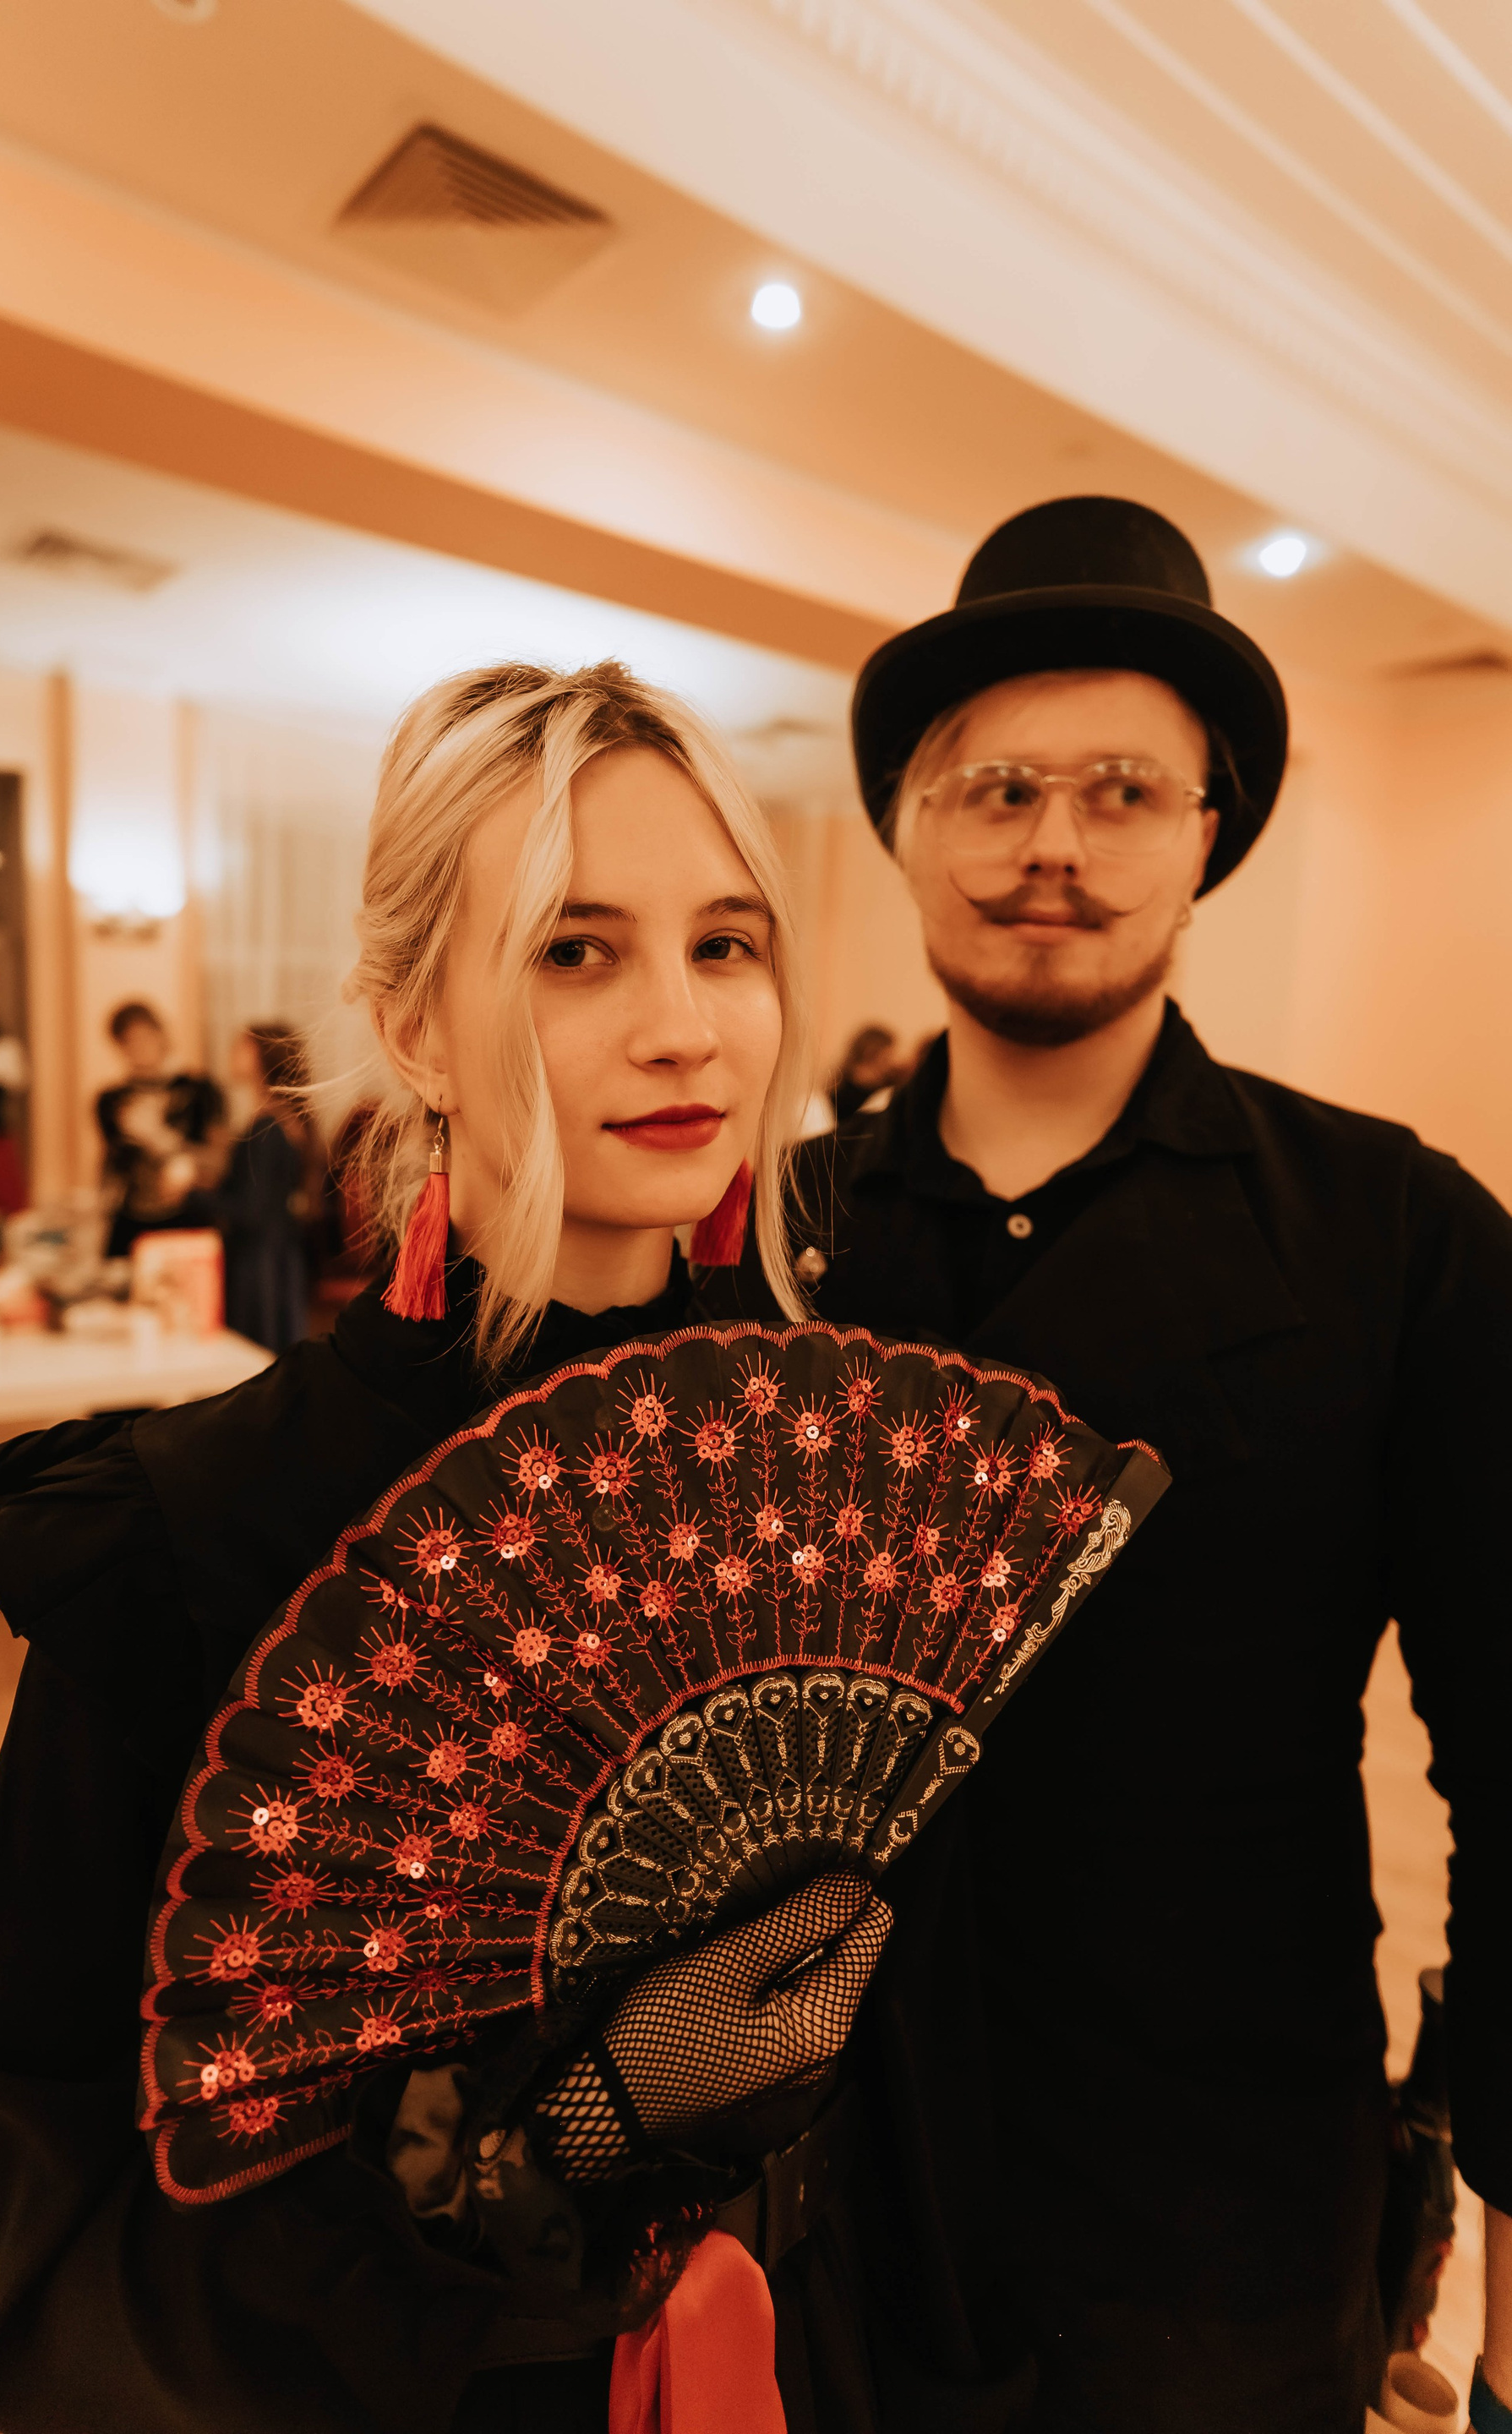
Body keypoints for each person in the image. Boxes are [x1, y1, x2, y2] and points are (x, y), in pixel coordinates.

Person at [0, 663, 991, 2434]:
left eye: (727, 944)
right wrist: (514, 2181)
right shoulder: (198, 1531)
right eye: (576, 950)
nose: (684, 1027)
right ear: (416, 1028)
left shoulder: (826, 1470)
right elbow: (57, 2249)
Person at [700, 495, 1512, 2433]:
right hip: (813, 2200)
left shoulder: (1396, 1235)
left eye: (1123, 791)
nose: (1052, 842)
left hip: (1222, 2221)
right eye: (994, 788)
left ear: (1207, 832)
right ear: (903, 824)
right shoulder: (763, 1246)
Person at [210, 1021, 324, 1352]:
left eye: (242, 1046)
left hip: (259, 1266)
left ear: (263, 1056)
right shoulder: (285, 1119)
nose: (232, 1052)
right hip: (280, 1257)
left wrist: (190, 1194)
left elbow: (252, 1209)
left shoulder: (267, 1126)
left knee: (258, 1355)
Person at [96, 1001, 226, 1258]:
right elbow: (112, 1162)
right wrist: (100, 1207)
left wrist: (158, 1137)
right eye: (129, 1041)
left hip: (188, 1215)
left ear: (161, 1035)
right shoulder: (111, 1101)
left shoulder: (199, 1091)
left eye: (145, 1037)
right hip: (132, 1218)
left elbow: (219, 1162)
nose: (139, 1047)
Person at [829, 1025, 900, 1126]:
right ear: (870, 1053)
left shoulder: (887, 1088)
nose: (891, 1063)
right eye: (887, 1057)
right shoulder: (841, 1097)